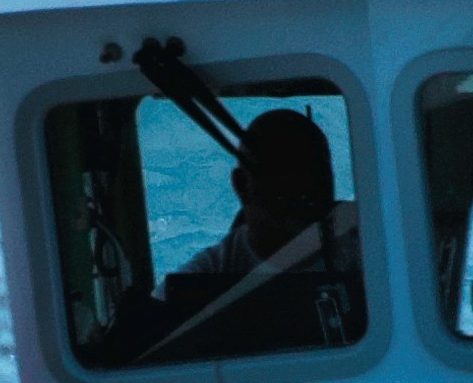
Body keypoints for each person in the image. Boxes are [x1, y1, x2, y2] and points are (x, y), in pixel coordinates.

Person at [125, 106, 362, 362]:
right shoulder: (201, 280)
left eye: (314, 173)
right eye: (282, 174)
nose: (302, 189)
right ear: (241, 184)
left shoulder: (370, 247)